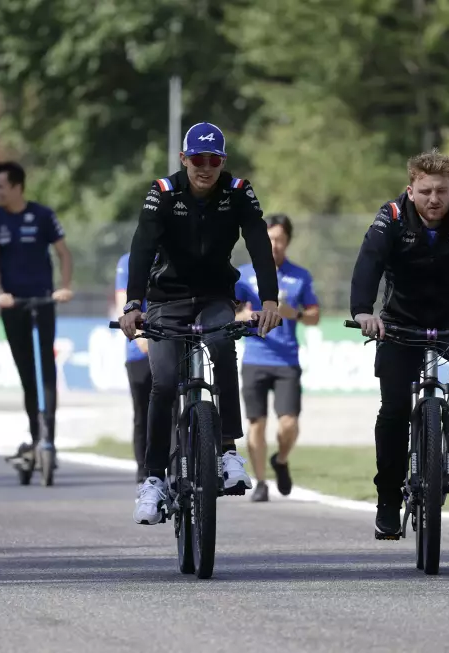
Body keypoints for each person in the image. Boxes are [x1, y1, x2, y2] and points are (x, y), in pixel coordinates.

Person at [118, 121, 283, 525]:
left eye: (213, 160)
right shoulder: (163, 192)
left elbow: (259, 241)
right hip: (165, 299)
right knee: (163, 379)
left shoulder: (239, 191)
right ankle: (154, 479)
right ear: (183, 159)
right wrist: (133, 303)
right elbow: (142, 245)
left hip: (214, 297)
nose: (205, 168)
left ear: (222, 161)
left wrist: (269, 300)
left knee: (224, 345)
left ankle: (228, 451)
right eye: (197, 160)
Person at [349, 149, 449, 540]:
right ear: (411, 190)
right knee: (392, 412)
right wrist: (362, 312)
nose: (434, 200)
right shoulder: (390, 215)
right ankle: (387, 500)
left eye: (441, 191)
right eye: (425, 192)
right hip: (399, 321)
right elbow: (369, 260)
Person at [0, 161, 74, 458]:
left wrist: (65, 286)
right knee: (26, 373)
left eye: (0, 186)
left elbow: (63, 253)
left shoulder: (43, 215)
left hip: (43, 301)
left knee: (46, 369)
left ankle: (49, 440)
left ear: (17, 187)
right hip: (13, 304)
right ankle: (36, 437)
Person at [234, 214, 320, 502]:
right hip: (255, 358)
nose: (275, 246)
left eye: (280, 240)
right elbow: (228, 311)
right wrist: (243, 315)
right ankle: (260, 482)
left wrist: (292, 313)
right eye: (270, 239)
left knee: (289, 424)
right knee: (256, 423)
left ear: (288, 241)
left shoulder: (300, 276)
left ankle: (281, 460)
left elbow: (314, 316)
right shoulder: (244, 274)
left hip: (286, 360)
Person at [115, 251, 151, 484]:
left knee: (174, 411)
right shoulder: (127, 260)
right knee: (143, 412)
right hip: (140, 349)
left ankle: (176, 467)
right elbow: (123, 302)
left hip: (172, 340)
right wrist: (140, 337)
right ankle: (143, 471)